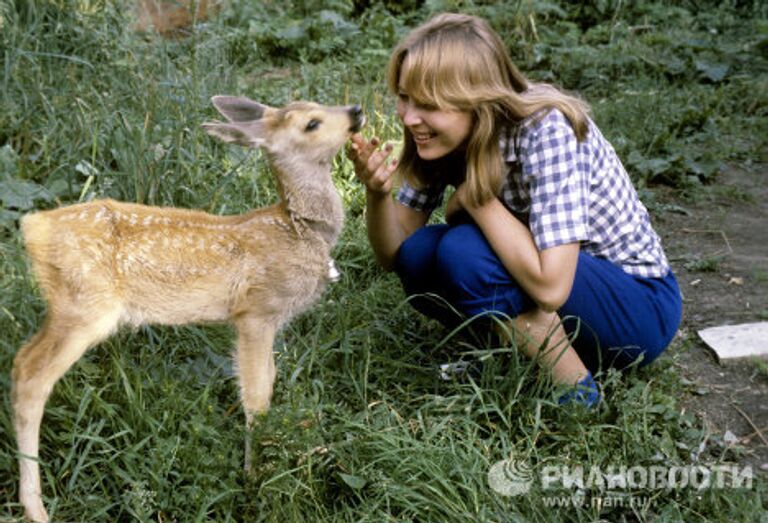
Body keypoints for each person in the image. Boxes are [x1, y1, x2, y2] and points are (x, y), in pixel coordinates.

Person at [347, 13, 682, 407]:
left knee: (464, 250)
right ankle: (516, 354)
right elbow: (395, 254)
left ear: (476, 101)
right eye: (404, 97)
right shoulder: (437, 135)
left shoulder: (547, 129)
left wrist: (476, 199)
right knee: (421, 255)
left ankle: (575, 392)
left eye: (428, 104)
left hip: (637, 310)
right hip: (563, 291)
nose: (409, 116)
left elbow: (552, 288)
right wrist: (377, 194)